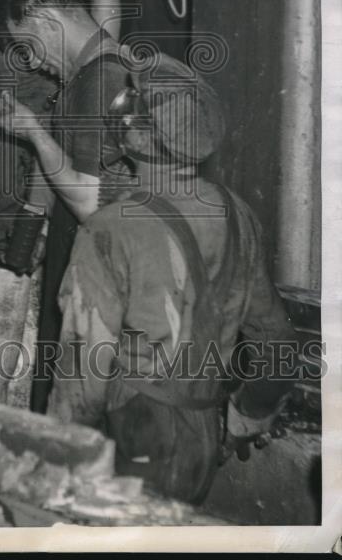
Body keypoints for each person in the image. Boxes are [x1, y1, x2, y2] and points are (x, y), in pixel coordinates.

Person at [47, 56, 299, 504]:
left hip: (130, 437)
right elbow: (278, 342)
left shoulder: (109, 230)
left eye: (130, 110)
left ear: (142, 136)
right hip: (203, 435)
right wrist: (242, 419)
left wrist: (58, 475)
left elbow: (81, 381)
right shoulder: (236, 213)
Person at [0, 0, 133, 413]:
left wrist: (33, 131)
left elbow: (91, 201)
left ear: (49, 22)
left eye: (27, 45)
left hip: (103, 282)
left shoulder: (100, 79)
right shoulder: (98, 73)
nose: (32, 61)